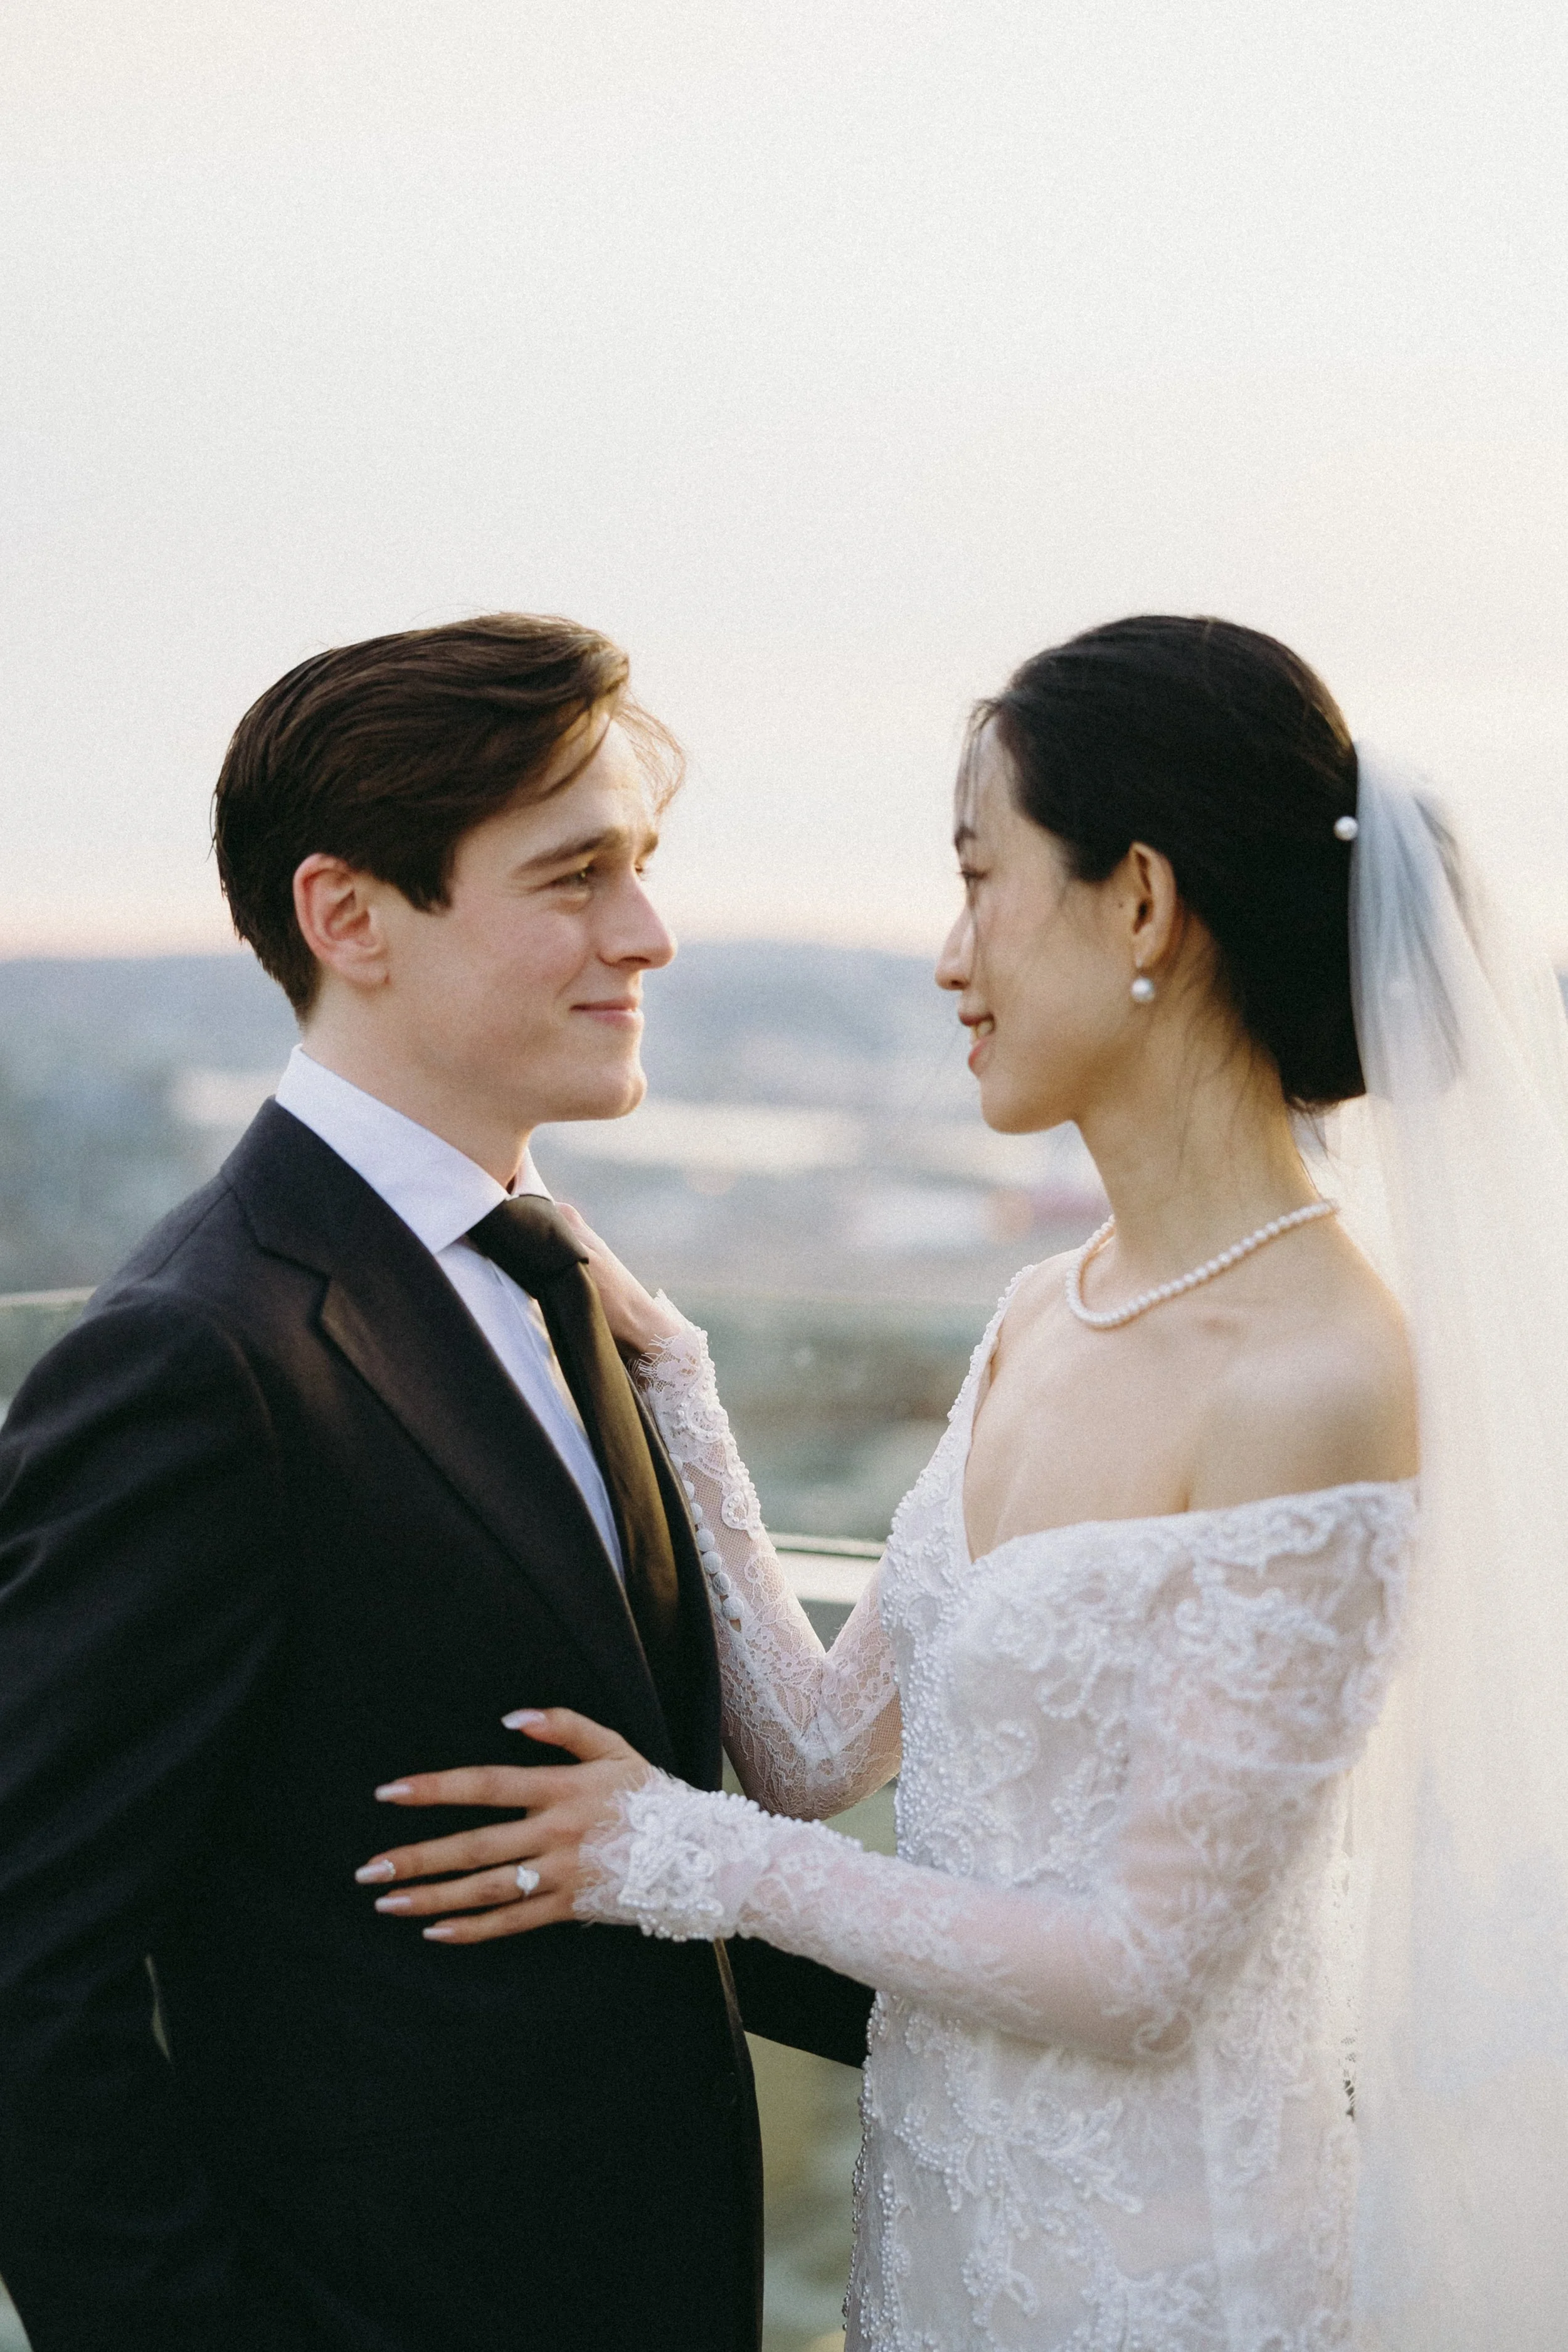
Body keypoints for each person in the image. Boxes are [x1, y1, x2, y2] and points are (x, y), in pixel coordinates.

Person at [360, 617, 1568, 2348]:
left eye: (979, 876)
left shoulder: (1319, 1372)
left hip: (1164, 2277)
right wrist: (681, 1397)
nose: (948, 958)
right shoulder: (1040, 1312)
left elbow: (1141, 1973)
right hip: (938, 2240)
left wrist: (664, 1848)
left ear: (1140, 903)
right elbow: (817, 1746)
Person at [0, 615, 871, 2352]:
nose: (649, 931)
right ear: (348, 917)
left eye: (642, 867)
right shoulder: (203, 1352)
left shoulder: (569, 1289)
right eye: (575, 876)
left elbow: (636, 1831)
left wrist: (1041, 2013)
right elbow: (26, 1971)